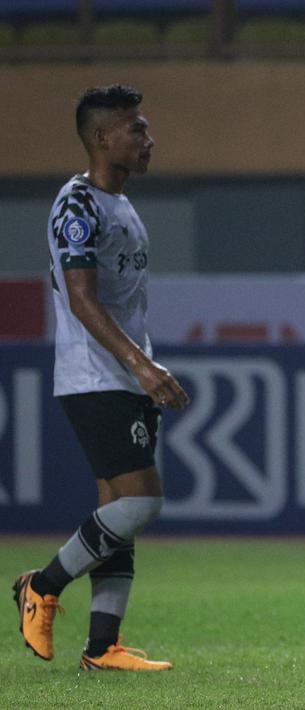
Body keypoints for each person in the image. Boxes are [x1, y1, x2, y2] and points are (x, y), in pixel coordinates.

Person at [12, 84, 186, 672]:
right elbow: (82, 300)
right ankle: (41, 585)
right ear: (102, 138)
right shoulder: (76, 205)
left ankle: (101, 647)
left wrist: (139, 366)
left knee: (116, 508)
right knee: (141, 502)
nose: (148, 138)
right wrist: (141, 362)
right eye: (136, 128)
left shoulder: (119, 203)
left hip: (121, 376)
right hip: (95, 376)